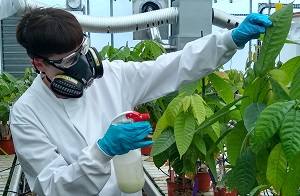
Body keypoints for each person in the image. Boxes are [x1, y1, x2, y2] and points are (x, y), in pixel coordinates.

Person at [10, 7, 272, 196]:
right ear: (39, 63)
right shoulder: (27, 113)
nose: (83, 66)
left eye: (82, 51)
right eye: (68, 60)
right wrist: (102, 152)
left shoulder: (112, 76)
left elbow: (172, 67)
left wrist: (228, 40)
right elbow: (53, 187)